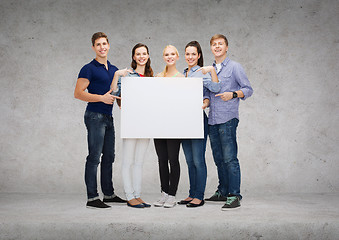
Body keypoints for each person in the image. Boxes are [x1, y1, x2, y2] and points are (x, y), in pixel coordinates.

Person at [74, 32, 126, 209]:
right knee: (94, 157)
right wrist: (101, 98)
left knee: (109, 157)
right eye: (98, 44)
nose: (102, 47)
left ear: (109, 45)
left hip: (108, 117)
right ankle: (92, 197)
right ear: (93, 48)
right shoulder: (88, 68)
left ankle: (109, 194)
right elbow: (79, 93)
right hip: (94, 115)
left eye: (104, 44)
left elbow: (116, 95)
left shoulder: (114, 70)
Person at [204, 34, 253, 210]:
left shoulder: (234, 67)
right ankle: (222, 191)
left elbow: (248, 89)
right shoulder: (209, 70)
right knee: (218, 158)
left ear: (226, 47)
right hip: (213, 119)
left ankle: (234, 194)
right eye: (214, 44)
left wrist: (232, 94)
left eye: (220, 44)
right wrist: (205, 101)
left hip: (228, 119)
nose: (217, 47)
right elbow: (208, 93)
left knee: (230, 158)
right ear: (211, 48)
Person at [110, 43, 153, 208]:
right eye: (138, 54)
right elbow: (114, 93)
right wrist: (116, 75)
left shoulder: (151, 78)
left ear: (148, 56)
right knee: (128, 160)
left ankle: (137, 194)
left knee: (139, 162)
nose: (141, 56)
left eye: (144, 53)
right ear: (134, 57)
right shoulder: (126, 75)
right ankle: (129, 195)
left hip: (146, 123)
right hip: (131, 122)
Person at [177, 41, 220, 208]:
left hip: (197, 119)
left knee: (198, 159)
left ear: (199, 55)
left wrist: (211, 70)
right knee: (189, 160)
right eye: (187, 54)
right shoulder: (183, 73)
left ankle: (199, 196)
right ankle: (191, 193)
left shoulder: (202, 72)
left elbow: (215, 88)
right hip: (184, 121)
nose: (190, 57)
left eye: (193, 54)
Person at [153, 45, 184, 208]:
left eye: (172, 54)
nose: (169, 57)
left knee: (173, 159)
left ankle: (172, 194)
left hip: (174, 125)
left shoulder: (182, 78)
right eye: (166, 54)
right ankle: (164, 192)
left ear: (177, 57)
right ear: (163, 57)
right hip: (159, 124)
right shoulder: (158, 76)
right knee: (161, 159)